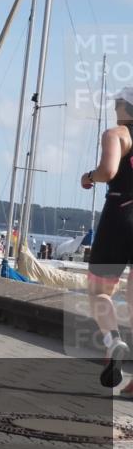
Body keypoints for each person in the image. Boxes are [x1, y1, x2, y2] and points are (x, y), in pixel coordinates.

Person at [81, 86, 133, 387]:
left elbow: (108, 170)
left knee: (99, 292)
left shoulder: (117, 134)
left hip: (120, 214)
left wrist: (89, 177)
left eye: (118, 103)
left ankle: (113, 341)